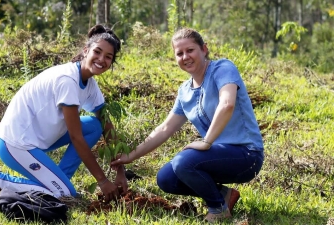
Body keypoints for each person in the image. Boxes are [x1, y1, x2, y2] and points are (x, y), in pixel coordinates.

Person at [110, 28, 264, 222]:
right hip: (218, 155)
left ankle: (218, 210)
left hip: (247, 154)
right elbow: (165, 129)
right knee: (166, 178)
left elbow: (227, 104)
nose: (185, 57)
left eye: (190, 50)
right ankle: (223, 196)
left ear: (204, 49)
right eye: (179, 53)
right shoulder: (185, 91)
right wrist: (129, 157)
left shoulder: (222, 68)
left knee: (184, 162)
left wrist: (206, 141)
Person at [0, 24, 128, 202]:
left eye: (108, 57)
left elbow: (106, 126)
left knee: (95, 126)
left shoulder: (89, 84)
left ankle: (59, 180)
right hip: (15, 144)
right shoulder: (67, 80)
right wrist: (102, 181)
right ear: (86, 50)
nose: (101, 59)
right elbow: (76, 137)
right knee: (64, 194)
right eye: (97, 52)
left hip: (37, 139)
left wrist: (120, 171)